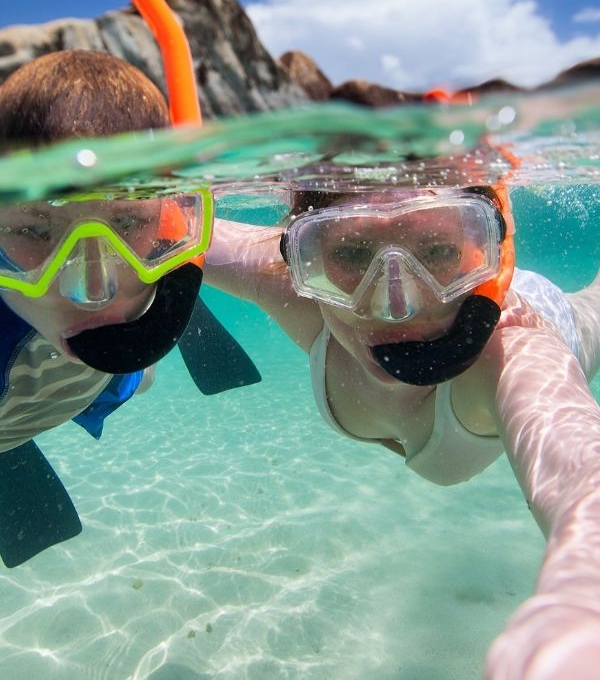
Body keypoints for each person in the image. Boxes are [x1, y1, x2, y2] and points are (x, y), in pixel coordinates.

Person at [203, 169, 600, 678]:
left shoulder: (512, 354)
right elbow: (169, 228)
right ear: (303, 257)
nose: (396, 305)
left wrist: (580, 597)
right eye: (350, 254)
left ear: (491, 250)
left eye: (436, 250)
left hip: (541, 311)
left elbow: (578, 469)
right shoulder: (289, 286)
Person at [0, 49, 260, 568]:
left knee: (142, 376)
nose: (91, 290)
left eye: (125, 224)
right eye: (32, 230)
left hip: (111, 378)